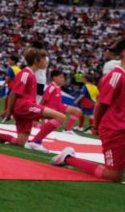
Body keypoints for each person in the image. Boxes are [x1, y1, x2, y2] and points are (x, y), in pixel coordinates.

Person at [52, 38, 125, 181]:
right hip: (115, 129)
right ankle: (68, 158)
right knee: (113, 175)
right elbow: (101, 104)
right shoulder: (116, 75)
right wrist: (96, 125)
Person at [0, 46, 62, 150]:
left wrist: (9, 111)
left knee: (20, 142)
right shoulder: (26, 74)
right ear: (35, 60)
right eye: (44, 59)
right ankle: (36, 142)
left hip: (26, 108)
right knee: (60, 117)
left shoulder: (32, 75)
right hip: (25, 107)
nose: (46, 62)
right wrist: (9, 111)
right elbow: (13, 94)